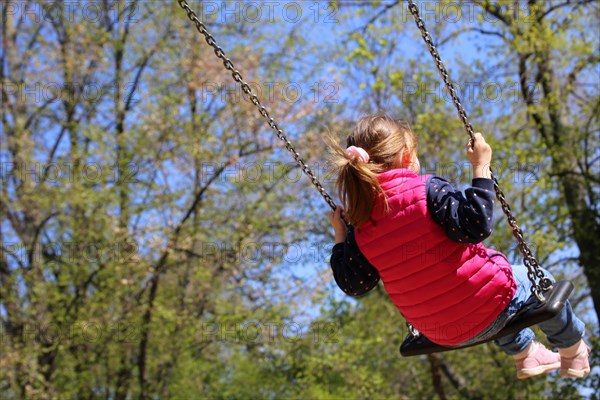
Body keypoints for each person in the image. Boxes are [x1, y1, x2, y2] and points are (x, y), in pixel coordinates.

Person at [326, 113, 590, 379]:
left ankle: (527, 354)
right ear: (406, 154)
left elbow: (354, 284)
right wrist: (481, 167)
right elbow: (476, 225)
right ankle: (573, 352)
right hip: (486, 303)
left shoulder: (361, 227)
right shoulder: (426, 189)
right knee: (541, 282)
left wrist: (341, 236)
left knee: (485, 297)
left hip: (440, 332)